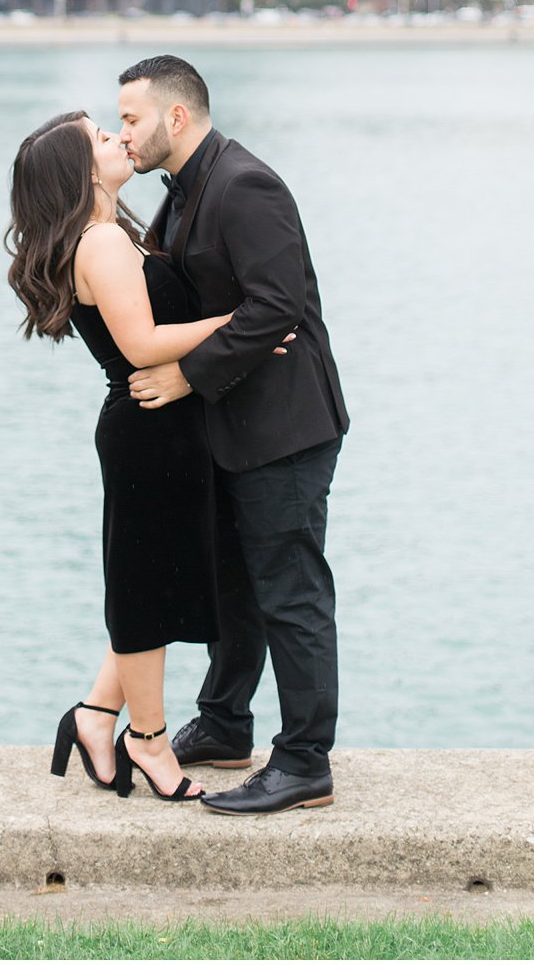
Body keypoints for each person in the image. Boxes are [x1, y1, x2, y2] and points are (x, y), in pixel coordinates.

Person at [5, 110, 295, 804]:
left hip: (161, 428)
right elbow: (140, 345)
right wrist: (241, 325)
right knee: (143, 596)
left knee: (153, 586)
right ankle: (150, 742)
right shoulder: (101, 240)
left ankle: (95, 717)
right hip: (147, 431)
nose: (118, 139)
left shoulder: (115, 231)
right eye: (102, 138)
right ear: (80, 172)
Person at [118, 54, 350, 817]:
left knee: (290, 592)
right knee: (232, 587)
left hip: (283, 425)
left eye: (131, 119)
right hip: (228, 423)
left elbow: (276, 306)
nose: (124, 135)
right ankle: (223, 724)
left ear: (174, 117)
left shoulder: (245, 183)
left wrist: (187, 375)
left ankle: (304, 761)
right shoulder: (183, 190)